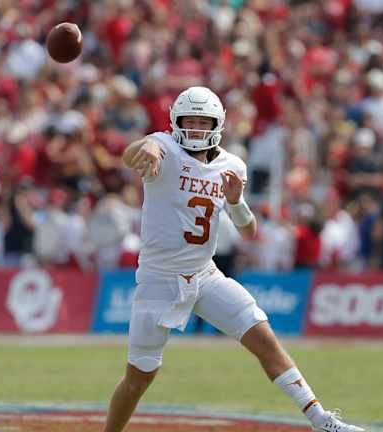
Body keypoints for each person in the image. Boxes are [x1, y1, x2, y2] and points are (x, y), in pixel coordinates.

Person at [103, 87, 364, 432]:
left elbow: (249, 230)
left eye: (203, 122)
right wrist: (146, 146)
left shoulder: (232, 166)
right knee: (138, 378)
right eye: (189, 121)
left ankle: (321, 420)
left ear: (217, 124)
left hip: (205, 274)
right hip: (159, 279)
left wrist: (237, 201)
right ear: (176, 122)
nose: (195, 128)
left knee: (265, 339)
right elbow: (133, 154)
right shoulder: (164, 146)